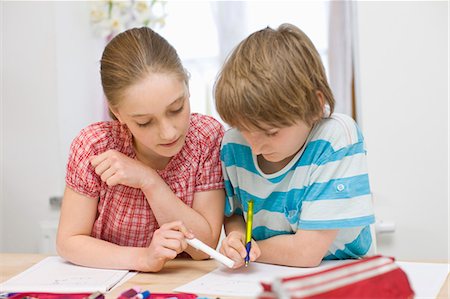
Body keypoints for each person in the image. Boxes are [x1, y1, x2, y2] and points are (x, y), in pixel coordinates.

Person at [56, 27, 225, 272]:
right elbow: (69, 242)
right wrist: (143, 259)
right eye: (145, 122)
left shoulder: (205, 137)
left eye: (176, 108)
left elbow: (203, 246)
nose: (168, 132)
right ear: (116, 112)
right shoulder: (95, 145)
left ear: (187, 85)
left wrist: (149, 181)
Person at [214, 23, 376, 269]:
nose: (255, 148)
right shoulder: (234, 142)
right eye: (246, 130)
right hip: (265, 274)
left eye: (270, 132)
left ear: (314, 105)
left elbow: (306, 253)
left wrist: (250, 251)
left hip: (343, 274)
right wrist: (236, 238)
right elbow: (234, 213)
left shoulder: (336, 138)